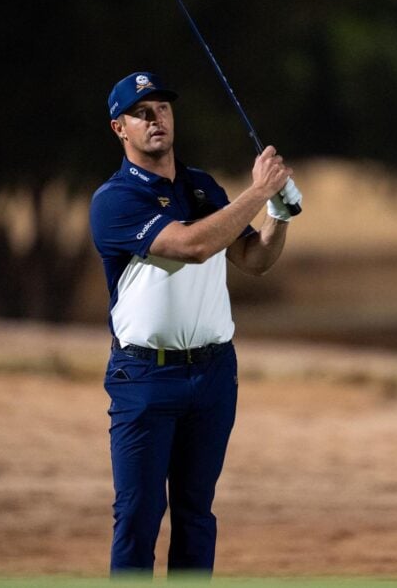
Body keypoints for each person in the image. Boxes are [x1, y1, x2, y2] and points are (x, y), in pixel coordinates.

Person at [89, 71, 301, 577]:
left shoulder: (202, 186)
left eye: (162, 108)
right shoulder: (114, 199)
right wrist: (257, 192)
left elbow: (253, 258)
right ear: (120, 129)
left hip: (212, 374)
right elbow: (192, 245)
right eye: (141, 113)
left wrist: (281, 212)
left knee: (196, 515)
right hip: (145, 377)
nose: (155, 118)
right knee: (138, 516)